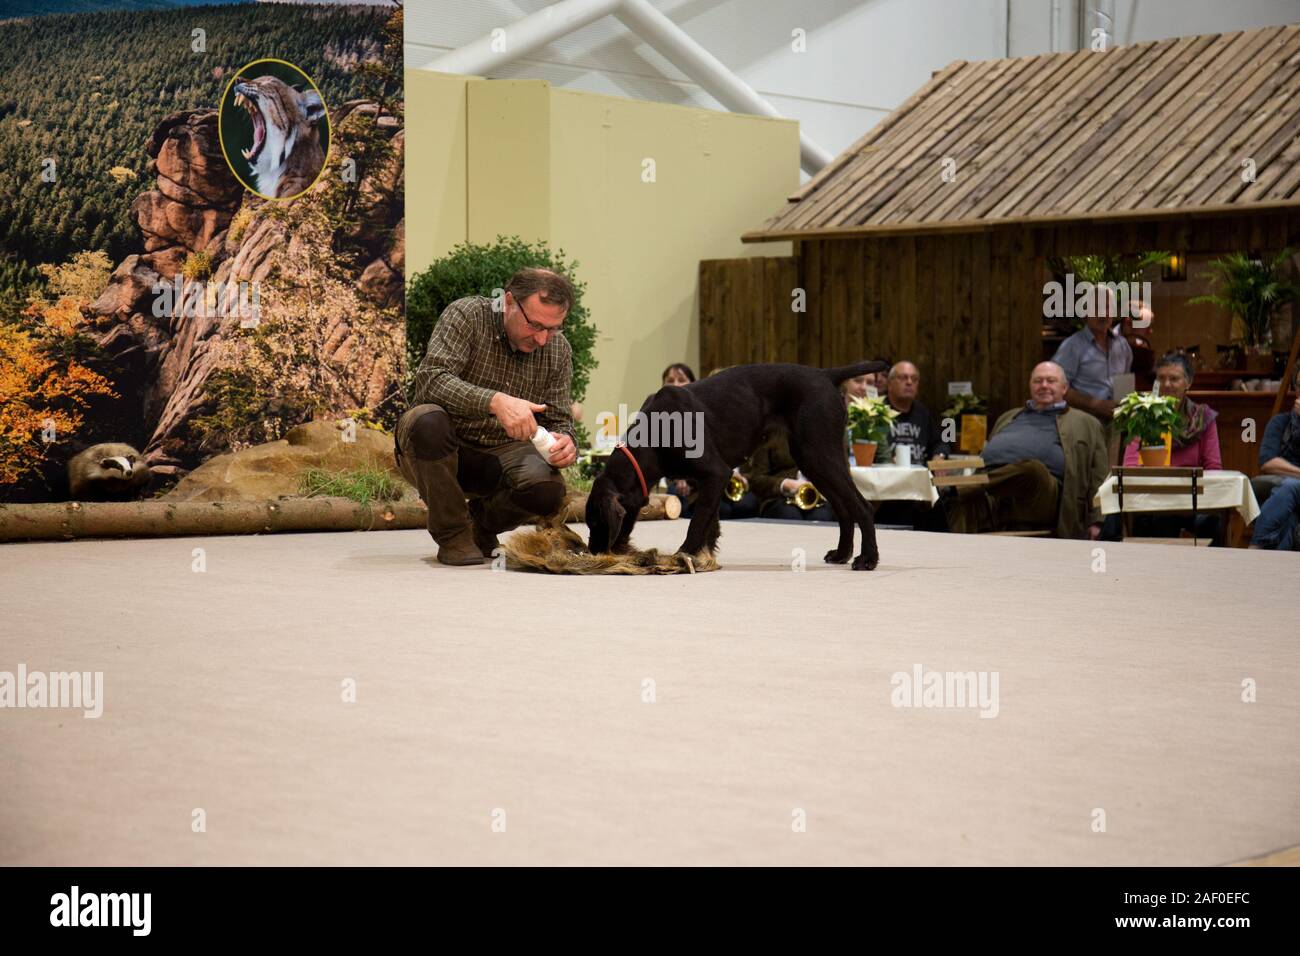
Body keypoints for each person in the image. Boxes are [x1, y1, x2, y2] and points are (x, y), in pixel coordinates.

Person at [394, 267, 578, 566]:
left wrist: (567, 442)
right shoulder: (466, 316)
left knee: (547, 491)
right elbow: (430, 380)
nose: (543, 339)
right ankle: (453, 534)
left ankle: (479, 527)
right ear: (508, 302)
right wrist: (493, 401)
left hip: (499, 456)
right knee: (427, 421)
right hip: (438, 447)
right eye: (534, 325)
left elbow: (559, 420)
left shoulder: (558, 351)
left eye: (553, 328)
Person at [946, 362, 1108, 538]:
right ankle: (956, 557)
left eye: (1051, 381)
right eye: (1038, 381)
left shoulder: (1087, 423)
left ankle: (962, 487)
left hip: (1043, 495)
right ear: (1030, 386)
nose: (1044, 385)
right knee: (957, 501)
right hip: (996, 497)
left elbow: (1099, 476)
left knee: (1032, 469)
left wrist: (1097, 520)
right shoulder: (1008, 417)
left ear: (1064, 388)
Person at [1104, 352, 1223, 543]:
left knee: (1214, 522)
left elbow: (1214, 469)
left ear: (1188, 383)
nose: (1166, 384)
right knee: (1161, 519)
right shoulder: (1143, 415)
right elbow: (1131, 467)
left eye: (1174, 379)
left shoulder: (1203, 418)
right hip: (1153, 499)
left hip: (1191, 500)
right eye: (1161, 378)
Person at [662, 362, 758, 518]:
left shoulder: (746, 419)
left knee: (748, 504)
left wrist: (741, 477)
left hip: (731, 483)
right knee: (719, 508)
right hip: (697, 483)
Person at [1051, 286, 1131, 462]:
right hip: (1083, 425)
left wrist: (1124, 407)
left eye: (1108, 307)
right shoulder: (1072, 347)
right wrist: (1096, 404)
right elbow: (1057, 388)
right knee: (1086, 480)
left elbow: (1124, 386)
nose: (1103, 313)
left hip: (1115, 428)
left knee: (1111, 478)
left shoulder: (1123, 346)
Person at [873, 361, 949, 530]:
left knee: (943, 502)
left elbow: (940, 441)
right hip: (887, 487)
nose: (909, 382)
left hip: (918, 487)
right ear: (890, 384)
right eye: (903, 378)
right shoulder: (876, 411)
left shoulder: (922, 412)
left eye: (914, 379)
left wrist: (940, 456)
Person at [1249, 366, 1300, 551]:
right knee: (1288, 520)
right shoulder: (1280, 422)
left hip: (1287, 486)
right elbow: (1267, 462)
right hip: (1284, 491)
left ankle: (1255, 548)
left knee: (1290, 486)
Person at [741, 431, 836, 522]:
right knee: (790, 516)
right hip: (779, 498)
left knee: (822, 516)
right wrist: (784, 484)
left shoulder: (829, 430)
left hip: (819, 499)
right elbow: (756, 479)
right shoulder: (770, 432)